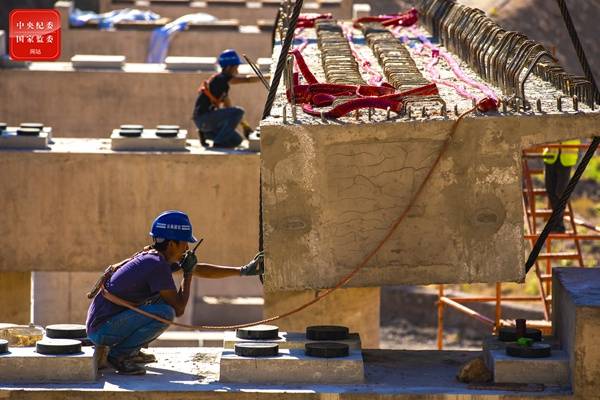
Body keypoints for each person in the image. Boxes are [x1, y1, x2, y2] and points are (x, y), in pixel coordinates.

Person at [86, 210, 264, 375]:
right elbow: (179, 308)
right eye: (185, 242)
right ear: (172, 244)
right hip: (102, 329)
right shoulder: (156, 265)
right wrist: (187, 274)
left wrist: (242, 270)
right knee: (165, 312)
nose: (187, 248)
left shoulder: (154, 257)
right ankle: (119, 356)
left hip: (104, 325)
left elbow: (200, 269)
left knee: (161, 304)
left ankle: (131, 351)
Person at [192, 49, 256, 148]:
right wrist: (270, 76)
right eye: (236, 67)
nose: (237, 70)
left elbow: (228, 108)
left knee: (236, 140)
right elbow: (247, 80)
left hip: (204, 122)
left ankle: (205, 134)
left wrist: (244, 125)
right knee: (239, 111)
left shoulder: (221, 85)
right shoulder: (221, 78)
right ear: (229, 67)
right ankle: (218, 142)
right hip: (204, 119)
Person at [542, 139, 581, 233]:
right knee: (550, 189)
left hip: (566, 157)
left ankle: (558, 225)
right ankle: (557, 224)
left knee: (561, 191)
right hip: (551, 155)